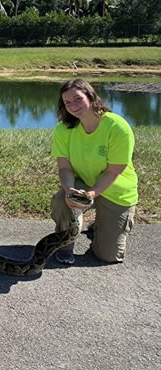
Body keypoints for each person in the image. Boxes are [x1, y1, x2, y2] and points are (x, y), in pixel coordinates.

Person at [50, 78, 137, 265]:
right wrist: (69, 191)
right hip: (83, 183)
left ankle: (98, 227)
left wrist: (91, 194)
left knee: (108, 256)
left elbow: (113, 171)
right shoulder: (64, 129)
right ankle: (65, 245)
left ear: (90, 96)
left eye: (78, 98)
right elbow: (64, 167)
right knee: (61, 202)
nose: (73, 105)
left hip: (116, 190)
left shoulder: (117, 127)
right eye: (67, 102)